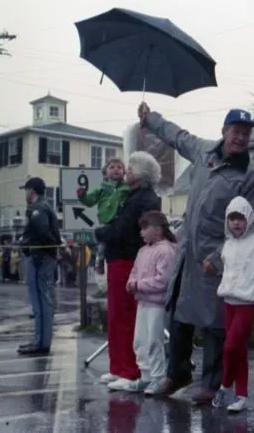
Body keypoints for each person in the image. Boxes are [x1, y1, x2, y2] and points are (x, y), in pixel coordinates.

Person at [137, 103, 254, 406]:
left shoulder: (250, 176)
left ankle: (211, 382)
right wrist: (150, 119)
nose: (240, 138)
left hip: (215, 258)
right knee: (177, 313)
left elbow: (249, 224)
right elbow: (177, 136)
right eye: (236, 131)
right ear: (224, 131)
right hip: (186, 252)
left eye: (245, 133)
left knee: (215, 322)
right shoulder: (205, 151)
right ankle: (176, 373)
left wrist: (218, 258)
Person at [95, 151, 162, 390]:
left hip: (127, 259)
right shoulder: (133, 196)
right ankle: (118, 367)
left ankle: (130, 369)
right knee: (116, 315)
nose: (126, 171)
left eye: (131, 168)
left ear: (140, 174)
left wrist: (99, 233)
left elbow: (121, 229)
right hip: (119, 259)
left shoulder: (142, 199)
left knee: (125, 316)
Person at [212, 196, 254, 414]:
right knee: (238, 350)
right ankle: (241, 394)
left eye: (240, 218)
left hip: (249, 301)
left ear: (249, 219)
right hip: (229, 300)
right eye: (232, 219)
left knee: (230, 346)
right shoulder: (228, 245)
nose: (236, 223)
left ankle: (224, 385)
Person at [112, 211, 177, 393]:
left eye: (145, 228)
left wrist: (138, 285)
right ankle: (146, 376)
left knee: (154, 341)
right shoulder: (143, 251)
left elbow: (163, 280)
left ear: (157, 230)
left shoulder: (166, 251)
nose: (141, 232)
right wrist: (131, 283)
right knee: (140, 340)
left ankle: (158, 376)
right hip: (143, 302)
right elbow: (135, 271)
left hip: (156, 304)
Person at [17, 177, 61, 356]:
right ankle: (40, 341)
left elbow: (42, 231)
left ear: (31, 191)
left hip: (39, 256)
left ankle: (41, 342)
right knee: (42, 299)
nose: (25, 194)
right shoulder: (46, 206)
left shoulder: (38, 208)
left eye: (26, 190)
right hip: (44, 255)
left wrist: (34, 246)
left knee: (40, 301)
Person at [77, 158, 130, 275]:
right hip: (106, 218)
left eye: (119, 167)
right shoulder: (101, 188)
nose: (116, 169)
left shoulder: (126, 187)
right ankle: (99, 261)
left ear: (124, 172)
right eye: (112, 167)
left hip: (120, 219)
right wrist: (83, 196)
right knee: (103, 242)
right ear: (105, 174)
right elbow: (90, 201)